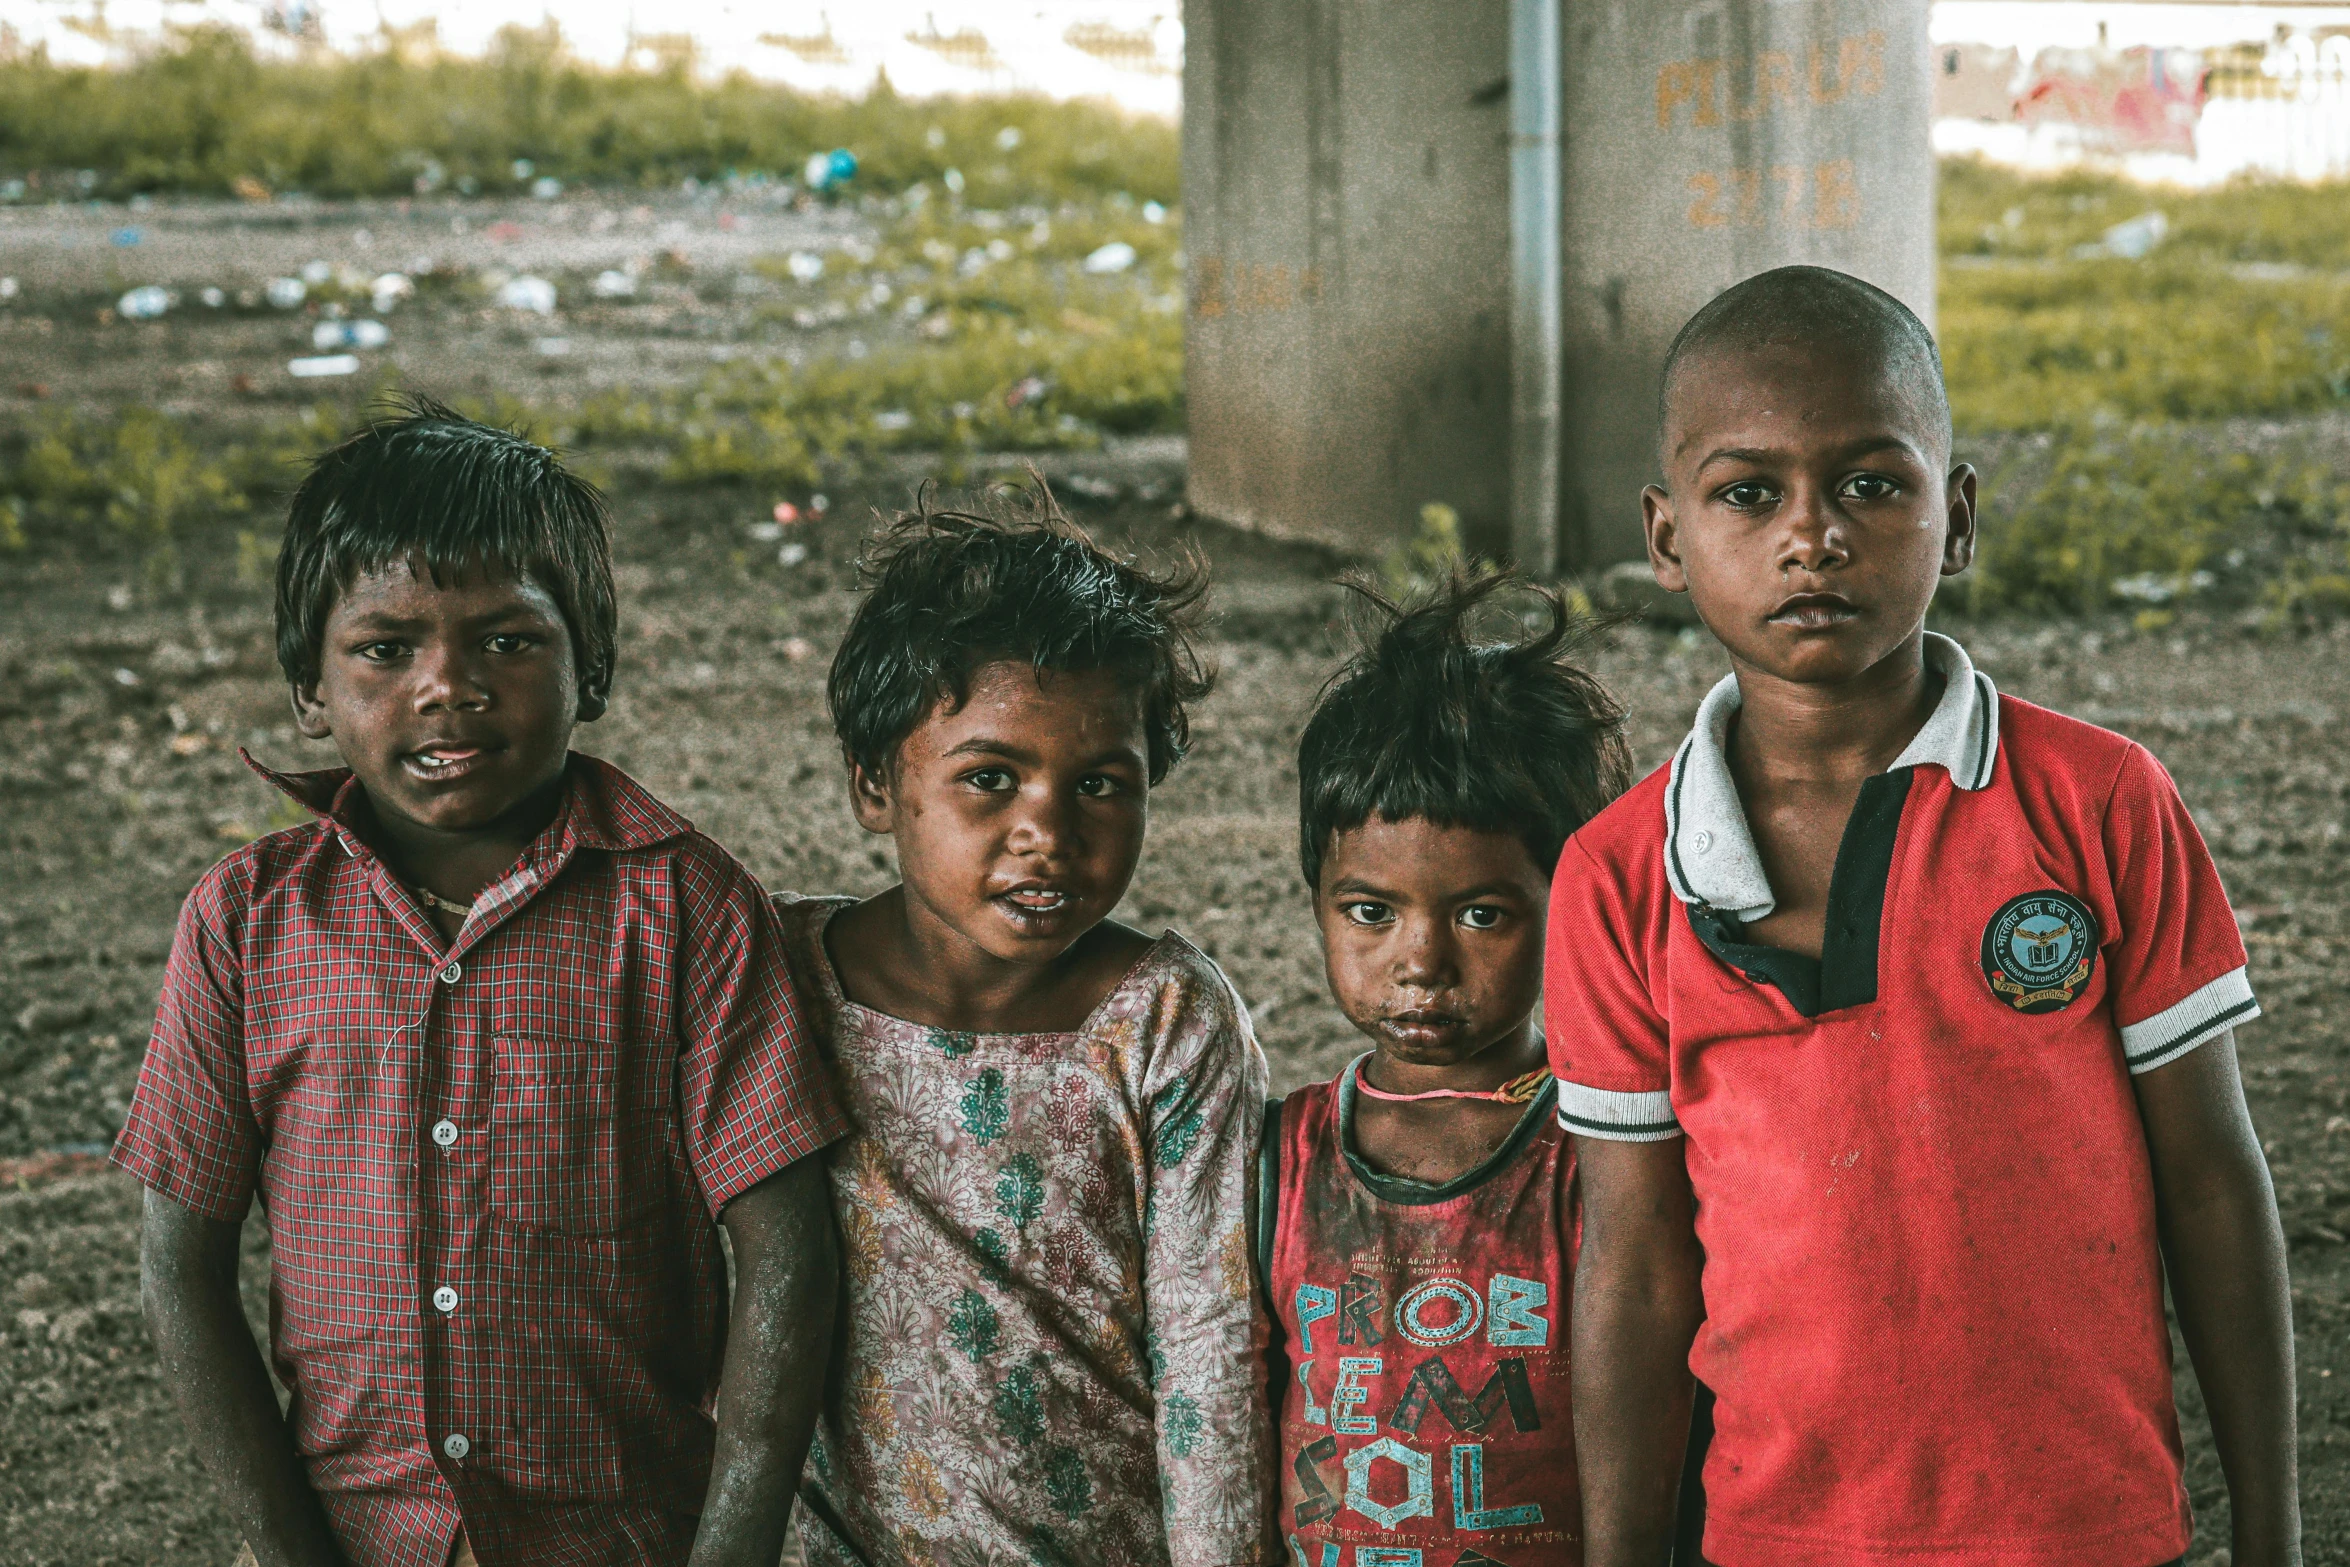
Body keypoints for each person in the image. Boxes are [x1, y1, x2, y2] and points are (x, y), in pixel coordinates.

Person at [1554, 266, 2301, 1567]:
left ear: (1954, 519)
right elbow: (1633, 1263)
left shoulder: (2096, 803)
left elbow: (2211, 1180)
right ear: (1666, 536)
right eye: (1747, 492)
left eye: (1868, 483)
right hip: (1778, 1531)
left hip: (2085, 1528)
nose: (1813, 534)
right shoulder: (1618, 877)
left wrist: (2275, 1534)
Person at [112, 399, 849, 1567]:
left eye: (507, 641)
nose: (447, 686)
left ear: (589, 664)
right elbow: (179, 1267)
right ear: (311, 682)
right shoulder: (246, 922)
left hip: (628, 1534)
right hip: (356, 1537)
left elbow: (786, 1246)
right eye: (385, 648)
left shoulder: (686, 907)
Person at [773, 495, 1274, 1567]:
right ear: (874, 783)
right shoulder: (779, 983)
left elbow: (1208, 1346)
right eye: (989, 779)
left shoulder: (1163, 1019)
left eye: (1099, 785)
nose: (1046, 831)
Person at [1262, 570, 1631, 1567]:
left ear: (1574, 908)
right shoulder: (1281, 1158)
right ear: (1318, 901)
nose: (1420, 960)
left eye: (1482, 913)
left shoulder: (1599, 1151)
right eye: (1370, 912)